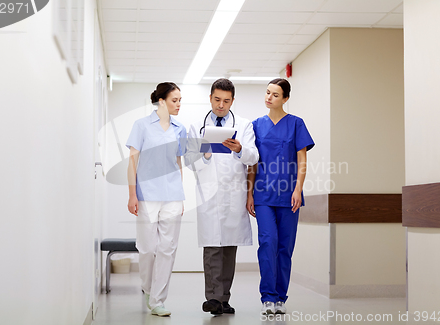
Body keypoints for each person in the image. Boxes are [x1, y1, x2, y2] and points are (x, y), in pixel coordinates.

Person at [185, 78, 259, 315]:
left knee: (228, 248)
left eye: (226, 101)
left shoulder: (245, 126)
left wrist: (239, 149)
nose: (221, 105)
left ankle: (223, 299)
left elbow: (254, 157)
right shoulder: (197, 126)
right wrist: (204, 154)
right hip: (209, 194)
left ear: (232, 101)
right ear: (210, 98)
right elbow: (188, 159)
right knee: (212, 247)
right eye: (217, 99)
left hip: (233, 194)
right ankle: (214, 297)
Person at [246, 78, 314, 315]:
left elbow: (302, 160)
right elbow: (252, 162)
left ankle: (280, 297)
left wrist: (298, 189)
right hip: (263, 194)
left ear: (285, 98)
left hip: (288, 195)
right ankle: (268, 297)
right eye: (267, 93)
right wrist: (249, 193)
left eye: (275, 95)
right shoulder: (256, 125)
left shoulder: (296, 124)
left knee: (285, 247)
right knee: (268, 243)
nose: (269, 97)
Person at [126, 82, 187, 317]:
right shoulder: (141, 126)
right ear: (161, 101)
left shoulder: (180, 128)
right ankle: (148, 288)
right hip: (146, 195)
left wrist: (181, 197)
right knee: (148, 248)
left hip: (172, 195)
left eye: (181, 100)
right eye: (175, 100)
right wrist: (132, 194)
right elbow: (133, 161)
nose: (179, 104)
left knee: (167, 249)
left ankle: (158, 300)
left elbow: (178, 162)